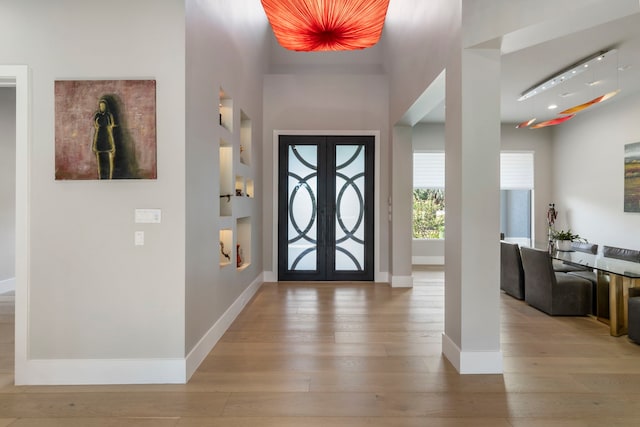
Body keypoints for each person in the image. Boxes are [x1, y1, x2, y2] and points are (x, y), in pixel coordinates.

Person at [92, 97, 116, 179]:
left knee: (108, 162)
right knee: (100, 162)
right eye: (100, 106)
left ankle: (108, 178)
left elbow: (111, 127)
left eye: (103, 106)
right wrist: (95, 144)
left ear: (105, 106)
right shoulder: (97, 115)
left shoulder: (109, 115)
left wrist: (112, 144)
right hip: (99, 139)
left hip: (107, 139)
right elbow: (95, 126)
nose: (102, 107)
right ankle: (101, 178)